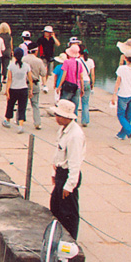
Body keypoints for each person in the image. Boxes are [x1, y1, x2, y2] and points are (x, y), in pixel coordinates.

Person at [50, 99, 86, 238]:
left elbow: (75, 162)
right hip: (60, 172)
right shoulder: (63, 130)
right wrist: (54, 172)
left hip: (68, 175)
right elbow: (58, 153)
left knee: (68, 212)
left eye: (58, 115)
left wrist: (69, 185)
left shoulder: (75, 135)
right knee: (56, 207)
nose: (56, 118)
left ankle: (70, 240)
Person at [112, 54, 131, 141]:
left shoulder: (121, 69)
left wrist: (114, 94)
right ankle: (122, 134)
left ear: (125, 58)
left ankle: (130, 131)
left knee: (120, 115)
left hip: (123, 94)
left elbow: (118, 82)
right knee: (128, 115)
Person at [2, 47, 33, 133]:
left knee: (10, 105)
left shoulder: (11, 66)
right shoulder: (26, 66)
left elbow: (9, 79)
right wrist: (31, 90)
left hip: (13, 88)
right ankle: (21, 125)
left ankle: (7, 120)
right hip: (23, 88)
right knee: (22, 107)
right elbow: (30, 79)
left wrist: (7, 90)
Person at [22, 43, 47, 130]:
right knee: (35, 104)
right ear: (36, 51)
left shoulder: (23, 59)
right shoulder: (38, 61)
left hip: (24, 83)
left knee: (22, 103)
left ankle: (19, 119)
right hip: (35, 83)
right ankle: (37, 122)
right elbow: (43, 73)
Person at [36, 26, 60, 93]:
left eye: (49, 32)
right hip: (43, 56)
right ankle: (45, 85)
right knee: (44, 71)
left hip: (50, 56)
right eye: (46, 32)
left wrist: (54, 37)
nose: (47, 33)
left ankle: (44, 83)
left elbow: (58, 44)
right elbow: (37, 47)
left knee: (49, 72)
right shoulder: (41, 39)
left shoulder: (52, 39)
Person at [78, 48, 95, 127]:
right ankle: (85, 121)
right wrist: (92, 84)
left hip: (79, 82)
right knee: (85, 103)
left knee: (76, 101)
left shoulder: (77, 61)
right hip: (87, 81)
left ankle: (74, 119)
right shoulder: (90, 61)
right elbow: (92, 74)